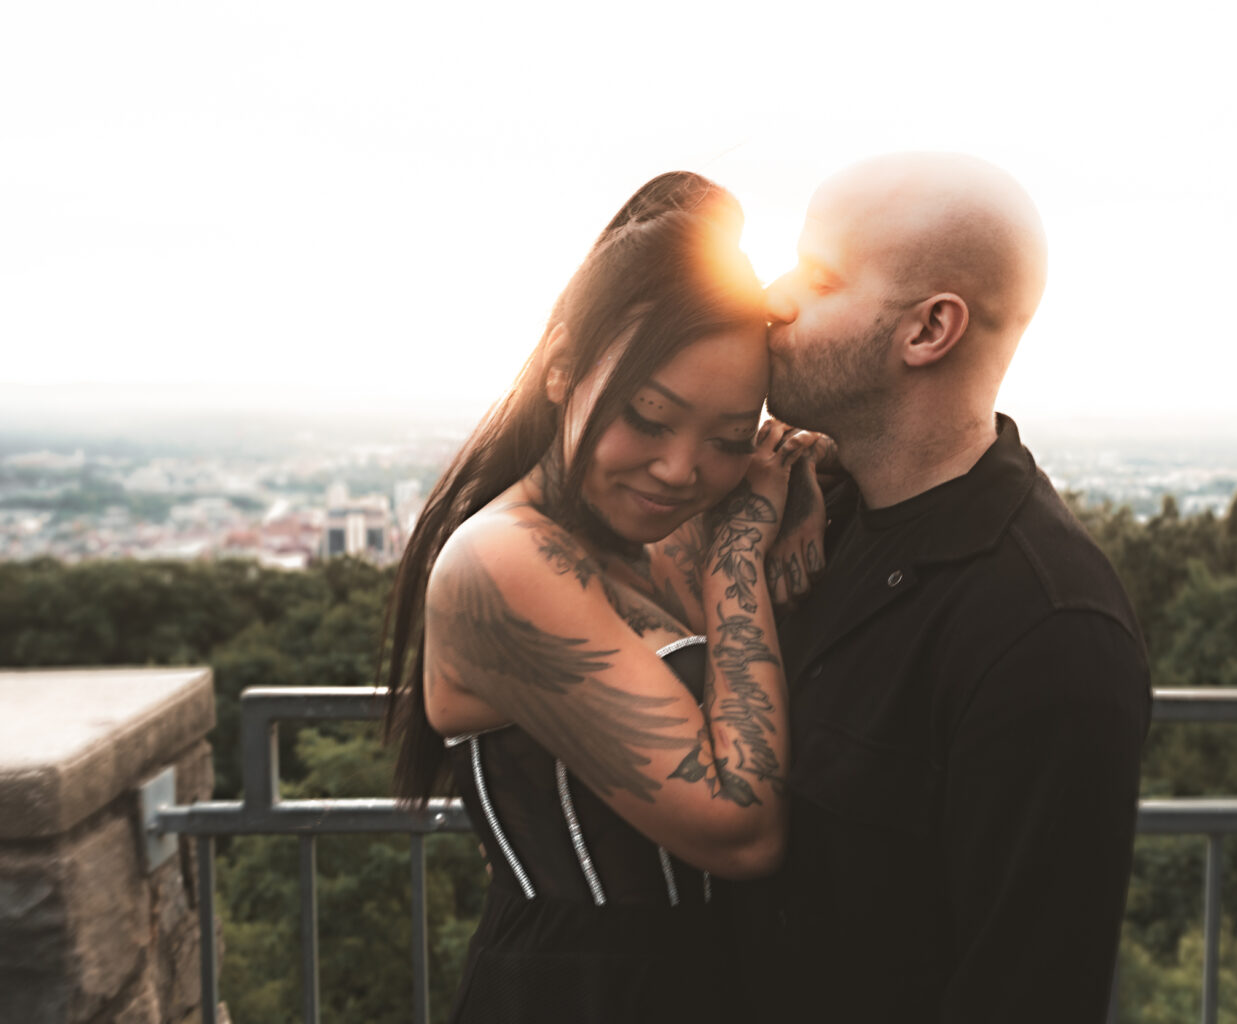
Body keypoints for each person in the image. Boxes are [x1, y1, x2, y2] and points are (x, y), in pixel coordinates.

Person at [381, 172, 817, 1022]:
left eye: (728, 440)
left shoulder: (645, 535)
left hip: (703, 980)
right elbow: (742, 824)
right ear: (562, 371)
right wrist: (736, 555)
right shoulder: (500, 561)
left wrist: (795, 491)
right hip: (583, 993)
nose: (680, 468)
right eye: (649, 419)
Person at [733, 152, 1153, 1022]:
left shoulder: (1046, 631)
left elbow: (1028, 989)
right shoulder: (808, 509)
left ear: (930, 330)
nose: (774, 296)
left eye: (820, 277)